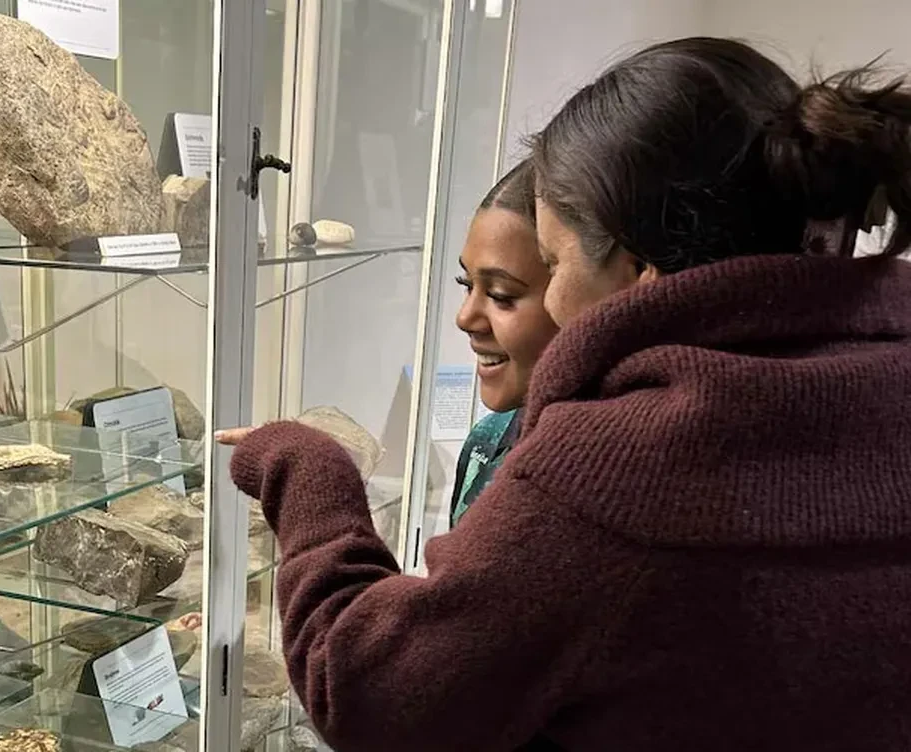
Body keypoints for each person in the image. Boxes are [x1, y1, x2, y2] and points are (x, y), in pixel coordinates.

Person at [217, 37, 911, 751]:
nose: (547, 300)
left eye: (548, 265)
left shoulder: (620, 465)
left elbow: (368, 689)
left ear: (639, 266)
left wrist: (309, 474)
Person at [449, 160, 557, 528]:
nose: (464, 318)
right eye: (466, 284)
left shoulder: (577, 477)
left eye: (500, 294)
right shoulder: (486, 440)